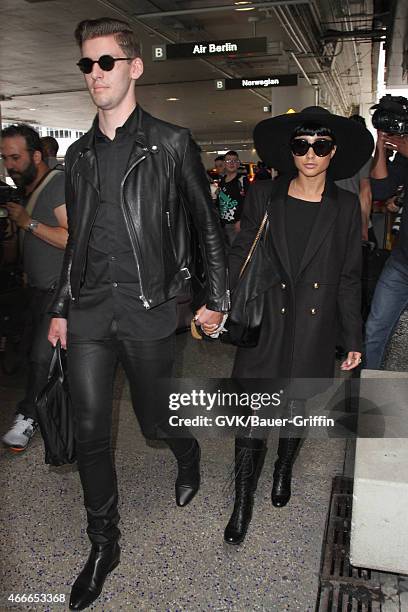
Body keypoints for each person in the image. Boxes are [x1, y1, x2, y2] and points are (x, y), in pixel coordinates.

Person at [47, 17, 228, 611]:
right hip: (92, 310)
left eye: (106, 62)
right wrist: (61, 306)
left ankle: (187, 450)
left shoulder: (171, 142)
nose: (95, 74)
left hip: (150, 307)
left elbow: (207, 225)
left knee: (154, 422)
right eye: (87, 64)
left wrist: (215, 296)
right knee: (92, 431)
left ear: (134, 67)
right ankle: (103, 543)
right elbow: (75, 242)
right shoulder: (78, 154)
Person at [202, 106, 373, 546]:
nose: (310, 154)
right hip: (267, 320)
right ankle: (242, 503)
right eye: (301, 145)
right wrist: (216, 303)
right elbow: (241, 253)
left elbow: (350, 276)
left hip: (314, 326)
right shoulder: (264, 194)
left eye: (320, 146)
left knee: (295, 408)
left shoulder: (346, 205)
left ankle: (282, 468)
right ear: (291, 151)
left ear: (333, 152)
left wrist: (352, 336)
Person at [1, 124, 67, 451]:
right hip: (38, 289)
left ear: (37, 155)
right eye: (4, 158)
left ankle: (28, 416)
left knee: (42, 356)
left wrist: (28, 222)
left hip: (60, 291)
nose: (9, 165)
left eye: (15, 157)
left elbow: (71, 237)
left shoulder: (57, 185)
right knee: (36, 355)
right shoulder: (27, 190)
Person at [364, 125, 408, 369]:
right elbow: (381, 189)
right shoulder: (403, 156)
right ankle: (370, 395)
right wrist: (380, 146)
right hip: (401, 262)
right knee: (375, 329)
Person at [217, 150, 246, 245]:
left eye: (235, 160)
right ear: (224, 164)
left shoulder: (242, 180)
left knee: (237, 250)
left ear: (238, 163)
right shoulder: (222, 181)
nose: (232, 163)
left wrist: (240, 220)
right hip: (224, 223)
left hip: (237, 223)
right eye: (229, 161)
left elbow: (248, 201)